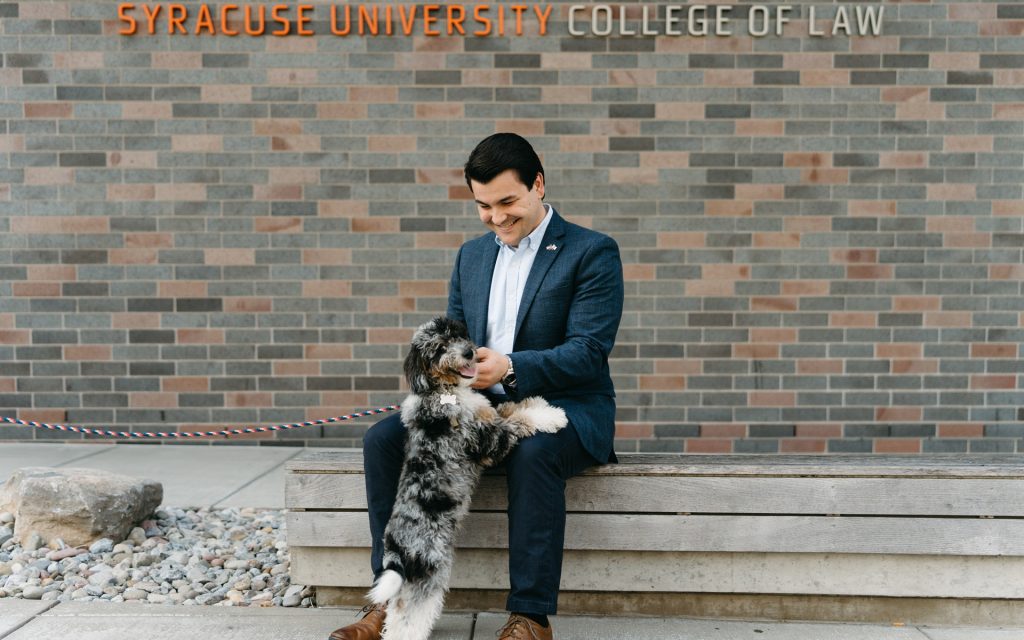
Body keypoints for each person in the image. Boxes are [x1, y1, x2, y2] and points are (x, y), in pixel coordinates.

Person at [329, 133, 624, 640]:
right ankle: (390, 597)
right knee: (383, 440)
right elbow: (453, 339)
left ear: (538, 183)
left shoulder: (591, 252)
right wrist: (448, 376)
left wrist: (510, 368)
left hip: (566, 408)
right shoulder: (471, 257)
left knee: (533, 455)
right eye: (483, 206)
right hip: (477, 409)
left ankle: (530, 615)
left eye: (507, 201)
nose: (496, 217)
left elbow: (589, 351)